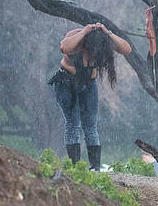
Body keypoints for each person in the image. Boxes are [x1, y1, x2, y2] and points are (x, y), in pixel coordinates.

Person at [48, 22, 131, 170]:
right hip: (66, 83)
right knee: (72, 123)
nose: (93, 54)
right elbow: (64, 47)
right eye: (92, 49)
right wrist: (84, 31)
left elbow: (126, 49)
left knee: (91, 126)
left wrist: (109, 33)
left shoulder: (104, 42)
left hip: (88, 85)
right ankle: (75, 166)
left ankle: (95, 167)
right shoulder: (76, 38)